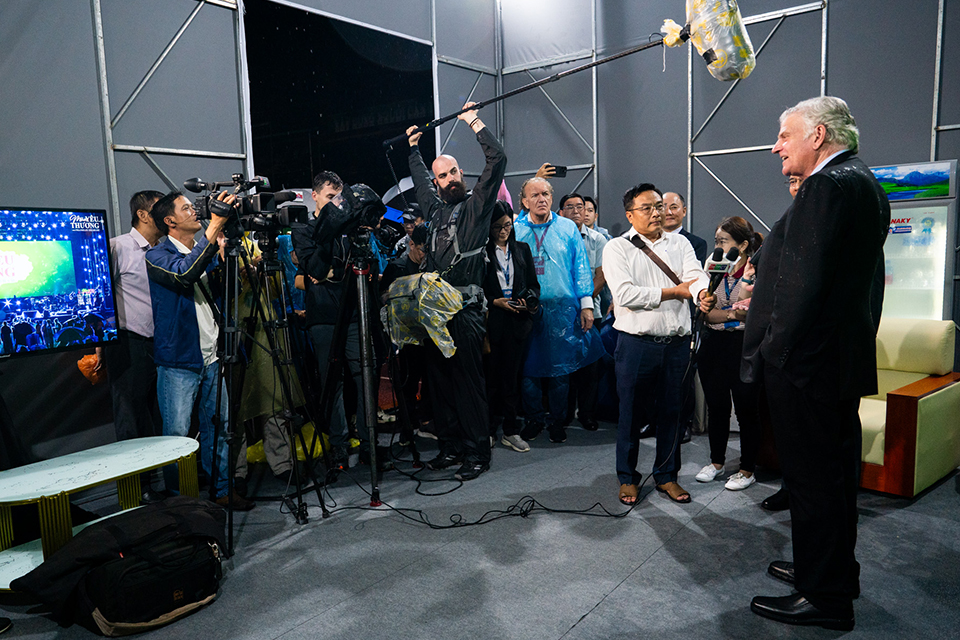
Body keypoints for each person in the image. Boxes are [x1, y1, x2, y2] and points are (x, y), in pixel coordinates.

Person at [744, 96, 889, 630]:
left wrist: (772, 352)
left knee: (813, 483)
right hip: (832, 363)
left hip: (807, 367)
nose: (776, 145)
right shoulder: (862, 182)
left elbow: (798, 287)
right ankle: (828, 572)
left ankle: (824, 597)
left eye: (785, 134)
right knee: (831, 478)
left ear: (819, 135)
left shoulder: (827, 186)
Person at [405, 100, 506, 480]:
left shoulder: (476, 206)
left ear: (461, 173)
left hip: (464, 312)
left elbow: (498, 161)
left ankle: (477, 452)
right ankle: (449, 448)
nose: (448, 179)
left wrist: (473, 122)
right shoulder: (433, 210)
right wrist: (414, 148)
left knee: (467, 384)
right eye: (441, 176)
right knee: (440, 384)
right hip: (433, 311)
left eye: (452, 172)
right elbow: (419, 180)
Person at [602, 183, 714, 506]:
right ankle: (627, 477)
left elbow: (695, 275)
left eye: (659, 206)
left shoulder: (680, 243)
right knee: (631, 414)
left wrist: (702, 293)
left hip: (677, 344)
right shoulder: (617, 249)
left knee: (672, 412)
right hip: (636, 344)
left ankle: (667, 476)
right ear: (630, 214)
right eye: (647, 208)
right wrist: (674, 293)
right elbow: (625, 295)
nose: (656, 213)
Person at [145, 190, 254, 510]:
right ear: (169, 221)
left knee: (219, 427)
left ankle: (222, 490)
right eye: (187, 209)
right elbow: (183, 274)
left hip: (212, 355)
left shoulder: (202, 249)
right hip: (180, 360)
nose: (196, 212)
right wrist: (214, 227)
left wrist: (226, 261)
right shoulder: (157, 256)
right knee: (177, 437)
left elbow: (218, 295)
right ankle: (181, 503)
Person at [514, 178, 604, 444]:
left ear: (552, 199)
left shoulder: (567, 227)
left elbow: (580, 267)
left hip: (563, 309)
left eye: (546, 194)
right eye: (535, 195)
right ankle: (534, 419)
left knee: (560, 370)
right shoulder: (517, 230)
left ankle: (557, 421)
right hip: (528, 311)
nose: (541, 199)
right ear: (524, 201)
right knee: (529, 369)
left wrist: (586, 305)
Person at [291, 170, 366, 472]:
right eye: (330, 197)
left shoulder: (350, 232)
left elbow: (350, 271)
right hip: (321, 318)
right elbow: (318, 269)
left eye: (339, 197)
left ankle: (368, 441)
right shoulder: (303, 230)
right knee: (331, 383)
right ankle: (338, 445)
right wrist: (328, 271)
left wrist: (331, 275)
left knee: (364, 377)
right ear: (316, 197)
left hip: (351, 314)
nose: (336, 202)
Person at [100, 190, 165, 503]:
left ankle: (161, 485)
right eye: (159, 209)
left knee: (159, 417)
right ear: (142, 214)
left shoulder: (165, 250)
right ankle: (135, 492)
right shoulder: (118, 247)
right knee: (130, 420)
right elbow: (101, 297)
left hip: (163, 344)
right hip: (129, 343)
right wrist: (101, 343)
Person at [693, 216, 763, 491]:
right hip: (714, 346)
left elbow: (755, 314)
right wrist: (733, 314)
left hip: (744, 348)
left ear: (743, 245)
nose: (718, 247)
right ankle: (717, 462)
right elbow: (707, 313)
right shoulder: (714, 268)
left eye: (724, 241)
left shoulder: (757, 270)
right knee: (717, 407)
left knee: (746, 410)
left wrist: (727, 315)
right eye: (717, 241)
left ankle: (747, 469)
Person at [482, 200, 540, 452]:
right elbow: (475, 289)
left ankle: (510, 430)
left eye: (507, 225)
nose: (503, 231)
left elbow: (533, 285)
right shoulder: (481, 252)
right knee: (491, 379)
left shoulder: (521, 249)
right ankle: (488, 429)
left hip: (518, 322)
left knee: (511, 379)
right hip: (492, 322)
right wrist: (495, 302)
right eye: (497, 227)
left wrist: (527, 302)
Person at [557, 192, 607, 431]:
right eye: (570, 207)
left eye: (581, 206)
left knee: (589, 367)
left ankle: (587, 414)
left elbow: (601, 275)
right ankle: (564, 413)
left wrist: (584, 303)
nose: (577, 211)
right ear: (560, 212)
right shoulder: (555, 237)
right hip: (562, 313)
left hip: (591, 312)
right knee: (565, 366)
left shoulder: (598, 240)